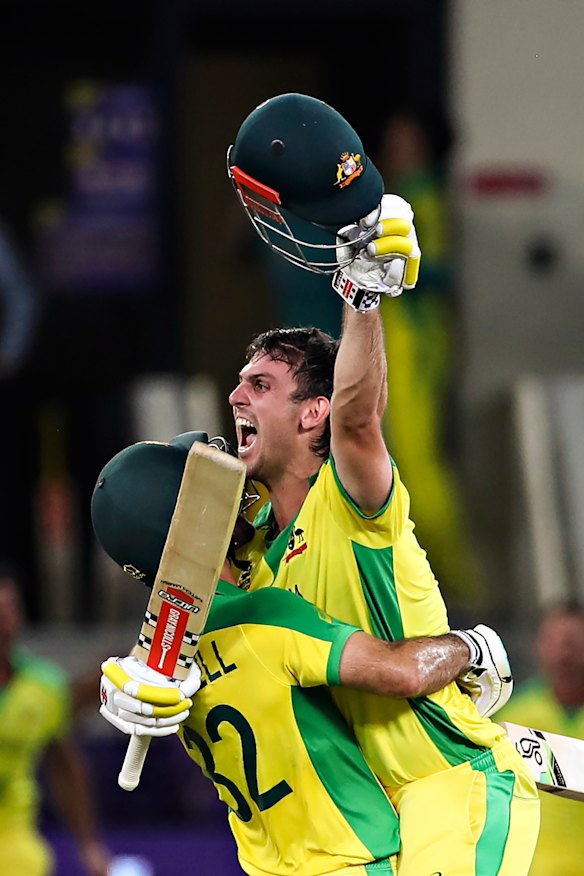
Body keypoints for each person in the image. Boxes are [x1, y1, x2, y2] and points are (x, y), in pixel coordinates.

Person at [224, 93, 540, 875]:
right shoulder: (252, 557)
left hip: (452, 783)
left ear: (312, 417)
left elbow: (360, 423)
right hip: (378, 826)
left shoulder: (350, 498)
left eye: (260, 386)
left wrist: (362, 296)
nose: (235, 397)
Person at [91, 437, 503, 876]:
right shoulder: (266, 613)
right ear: (192, 525)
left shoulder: (162, 669)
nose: (237, 493)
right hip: (354, 862)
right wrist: (473, 647)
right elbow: (404, 673)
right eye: (211, 487)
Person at [374, 109, 480, 603]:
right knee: (404, 461)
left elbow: (432, 272)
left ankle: (464, 586)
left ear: (418, 142)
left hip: (416, 344)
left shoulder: (421, 197)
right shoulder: (413, 192)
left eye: (401, 134)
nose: (391, 142)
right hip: (405, 342)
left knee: (418, 465)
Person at [0, 565, 110, 876]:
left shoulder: (45, 687)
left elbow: (63, 766)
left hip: (12, 836)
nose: (3, 621)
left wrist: (89, 845)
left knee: (30, 860)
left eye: (9, 608)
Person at [497, 601, 584, 876]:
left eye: (573, 641)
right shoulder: (513, 717)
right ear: (539, 646)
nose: (564, 652)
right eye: (555, 640)